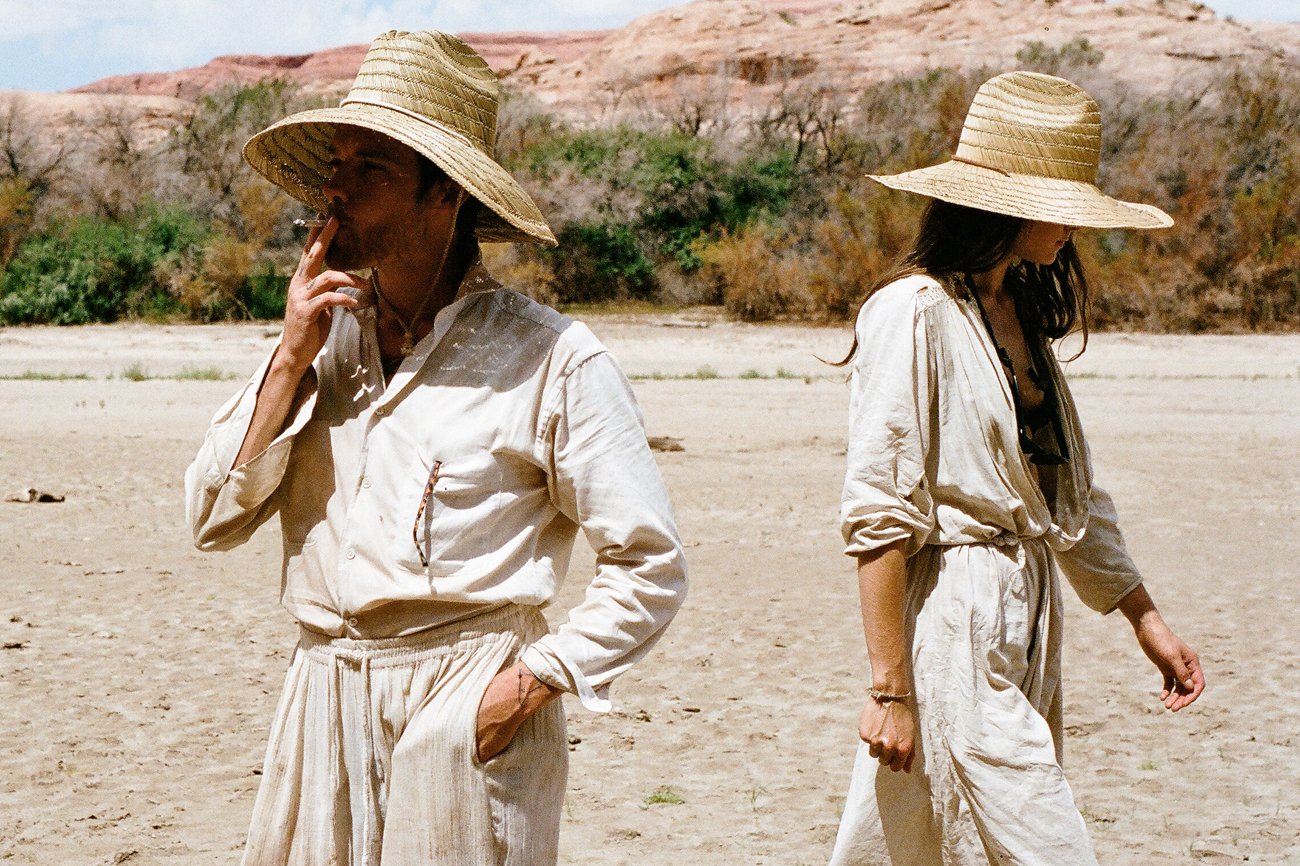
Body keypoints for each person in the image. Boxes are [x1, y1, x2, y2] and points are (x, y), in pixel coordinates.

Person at [185, 30, 686, 866]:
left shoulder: (552, 358)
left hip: (468, 700)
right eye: (334, 167)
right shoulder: (321, 345)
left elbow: (650, 564)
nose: (333, 195)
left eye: (370, 172)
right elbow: (209, 517)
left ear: (444, 194)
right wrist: (288, 357)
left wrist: (525, 686)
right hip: (323, 698)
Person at [826, 71, 1205, 866]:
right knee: (1042, 844)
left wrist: (1144, 616)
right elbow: (880, 507)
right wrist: (890, 690)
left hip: (1027, 615)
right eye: (1058, 204)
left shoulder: (1018, 310)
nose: (1071, 225)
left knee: (937, 836)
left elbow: (1069, 496)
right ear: (1003, 204)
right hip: (954, 613)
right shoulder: (916, 312)